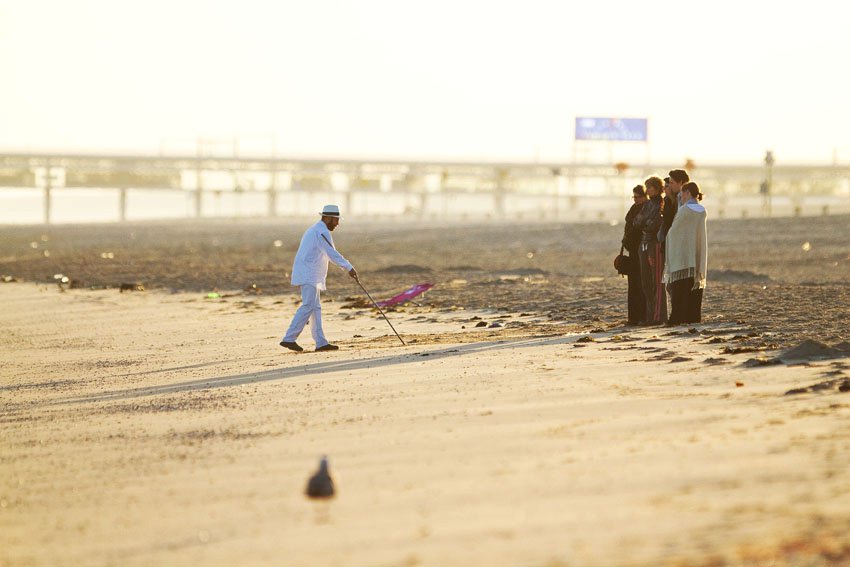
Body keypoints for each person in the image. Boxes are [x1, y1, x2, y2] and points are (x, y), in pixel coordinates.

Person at [280, 204, 358, 352]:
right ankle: (289, 338)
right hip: (308, 273)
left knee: (315, 308)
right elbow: (332, 253)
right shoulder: (321, 231)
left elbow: (328, 254)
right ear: (327, 218)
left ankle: (321, 342)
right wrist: (349, 268)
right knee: (308, 305)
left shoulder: (316, 229)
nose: (337, 224)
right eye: (335, 220)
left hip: (311, 273)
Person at [663, 182, 707, 324]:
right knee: (694, 289)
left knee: (680, 289)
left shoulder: (684, 210)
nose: (680, 197)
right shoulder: (702, 210)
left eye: (682, 194)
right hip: (696, 254)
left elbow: (674, 231)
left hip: (681, 257)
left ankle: (678, 317)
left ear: (687, 192)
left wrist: (667, 239)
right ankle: (693, 317)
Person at [633, 176, 666, 324]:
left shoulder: (660, 203)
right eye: (647, 187)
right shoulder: (647, 204)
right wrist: (645, 222)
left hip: (654, 244)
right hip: (643, 243)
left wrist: (645, 222)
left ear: (657, 188)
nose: (648, 190)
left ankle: (658, 316)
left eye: (650, 187)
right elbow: (636, 222)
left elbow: (655, 223)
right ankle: (650, 315)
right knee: (646, 282)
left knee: (656, 282)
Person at [622, 184, 647, 325]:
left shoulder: (646, 209)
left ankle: (642, 316)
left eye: (638, 197)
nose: (635, 200)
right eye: (634, 197)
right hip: (632, 251)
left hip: (642, 250)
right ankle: (633, 316)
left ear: (645, 196)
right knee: (633, 285)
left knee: (641, 284)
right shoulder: (633, 209)